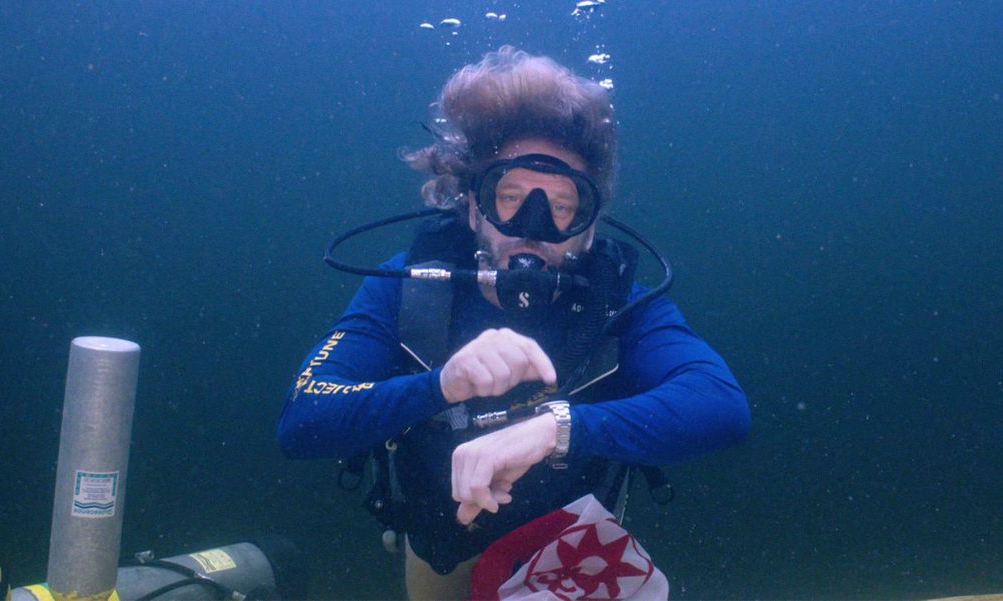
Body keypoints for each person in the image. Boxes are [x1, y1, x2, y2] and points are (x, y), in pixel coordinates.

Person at [278, 46, 750, 600]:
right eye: (509, 197)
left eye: (561, 206)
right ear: (475, 207)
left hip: (571, 556)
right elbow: (304, 419)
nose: (533, 228)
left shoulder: (620, 305)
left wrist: (557, 427)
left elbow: (721, 403)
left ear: (589, 226)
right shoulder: (409, 289)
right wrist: (440, 385)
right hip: (442, 549)